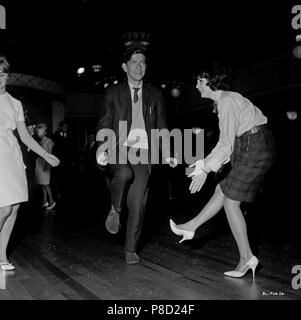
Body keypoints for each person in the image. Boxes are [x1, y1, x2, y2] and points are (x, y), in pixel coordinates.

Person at [170, 62, 275, 278]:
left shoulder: (227, 101)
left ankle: (247, 257)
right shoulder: (226, 101)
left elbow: (227, 144)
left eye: (200, 80)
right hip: (252, 145)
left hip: (253, 146)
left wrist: (205, 169)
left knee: (231, 202)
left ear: (212, 81)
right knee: (222, 190)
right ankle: (191, 226)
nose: (197, 85)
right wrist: (204, 164)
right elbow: (225, 144)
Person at [96, 46, 177, 264]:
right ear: (125, 66)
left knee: (139, 205)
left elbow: (161, 125)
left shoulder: (155, 94)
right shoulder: (113, 92)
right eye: (134, 62)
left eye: (143, 62)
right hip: (118, 147)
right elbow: (105, 121)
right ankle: (115, 208)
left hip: (143, 152)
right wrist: (103, 149)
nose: (139, 67)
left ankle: (130, 249)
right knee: (123, 173)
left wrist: (168, 152)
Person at [0, 56, 60, 271]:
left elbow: (25, 136)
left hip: (10, 154)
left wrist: (46, 154)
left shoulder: (15, 103)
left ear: (8, 75)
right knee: (4, 208)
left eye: (2, 74)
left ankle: (1, 256)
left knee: (14, 207)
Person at [35, 123, 56, 210]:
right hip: (39, 163)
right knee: (42, 184)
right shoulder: (40, 141)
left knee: (46, 184)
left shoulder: (49, 141)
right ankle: (45, 201)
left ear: (45, 132)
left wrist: (47, 165)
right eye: (38, 131)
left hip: (45, 164)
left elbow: (50, 154)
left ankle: (52, 202)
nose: (38, 133)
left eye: (40, 131)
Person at [52, 120, 74, 200]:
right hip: (59, 161)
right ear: (60, 127)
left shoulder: (70, 136)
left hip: (67, 162)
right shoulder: (55, 136)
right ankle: (58, 193)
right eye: (64, 127)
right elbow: (54, 149)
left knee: (67, 178)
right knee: (58, 178)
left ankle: (65, 193)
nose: (65, 128)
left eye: (67, 127)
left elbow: (72, 149)